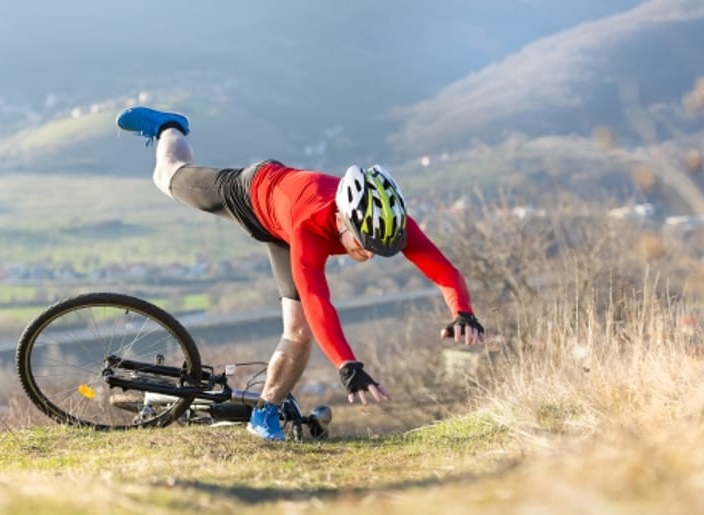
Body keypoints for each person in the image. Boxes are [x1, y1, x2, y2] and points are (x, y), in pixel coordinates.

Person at [116, 106, 485, 441]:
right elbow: (316, 300)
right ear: (342, 218)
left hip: (285, 223)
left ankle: (265, 413)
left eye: (379, 247)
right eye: (363, 243)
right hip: (252, 193)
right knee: (167, 177)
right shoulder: (312, 228)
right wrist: (347, 364)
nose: (369, 253)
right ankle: (169, 125)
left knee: (297, 333)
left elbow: (443, 269)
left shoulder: (387, 221)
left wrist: (462, 311)